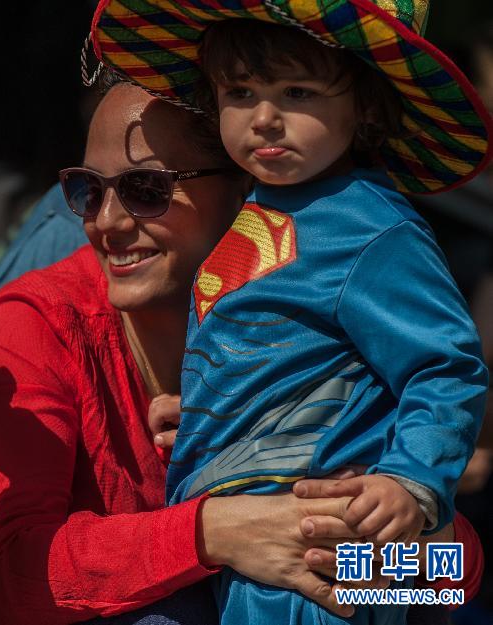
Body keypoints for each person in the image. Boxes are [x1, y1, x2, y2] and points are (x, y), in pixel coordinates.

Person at [0, 78, 484, 625]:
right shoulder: (30, 326)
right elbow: (8, 579)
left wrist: (352, 544)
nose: (106, 223)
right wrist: (218, 531)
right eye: (86, 190)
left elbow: (455, 577)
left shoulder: (313, 346)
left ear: (247, 189)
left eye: (146, 190)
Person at [91, 2, 490, 624]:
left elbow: (446, 368)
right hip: (254, 545)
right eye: (240, 92)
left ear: (363, 105)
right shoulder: (256, 211)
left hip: (324, 547)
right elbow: (290, 357)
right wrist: (210, 407)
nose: (265, 119)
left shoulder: (374, 231)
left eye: (297, 92)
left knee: (446, 579)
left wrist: (410, 484)